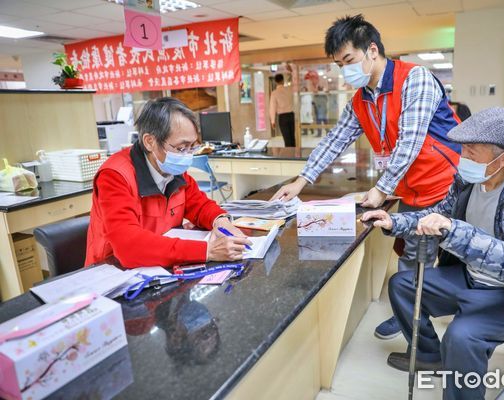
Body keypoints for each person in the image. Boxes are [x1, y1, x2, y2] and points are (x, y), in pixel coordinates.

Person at [362, 107, 504, 399]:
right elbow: (439, 214)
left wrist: (455, 232)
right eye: (463, 149)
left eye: (471, 152)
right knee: (402, 285)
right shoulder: (470, 177)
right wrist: (396, 222)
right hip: (473, 276)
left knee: (461, 336)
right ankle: (432, 355)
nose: (462, 159)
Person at [270, 14, 462, 339]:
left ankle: (419, 323)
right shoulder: (361, 100)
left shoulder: (415, 80)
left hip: (444, 181)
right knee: (416, 255)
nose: (345, 70)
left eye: (349, 60)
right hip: (409, 186)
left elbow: (410, 141)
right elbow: (334, 141)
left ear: (372, 50)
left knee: (427, 255)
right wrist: (300, 181)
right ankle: (412, 315)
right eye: (339, 63)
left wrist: (381, 189)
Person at [85, 97, 251, 268]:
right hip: (115, 273)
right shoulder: (115, 176)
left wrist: (220, 221)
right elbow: (128, 246)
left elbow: (199, 205)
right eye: (181, 148)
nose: (187, 155)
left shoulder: (173, 169)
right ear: (150, 141)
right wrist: (207, 251)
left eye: (191, 147)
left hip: (164, 265)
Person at [269, 73, 296, 147]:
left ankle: (289, 156)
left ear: (275, 81)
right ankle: (295, 154)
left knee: (286, 138)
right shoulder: (289, 89)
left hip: (282, 117)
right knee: (292, 137)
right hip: (291, 115)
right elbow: (295, 83)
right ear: (283, 81)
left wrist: (273, 121)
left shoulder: (274, 93)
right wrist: (291, 72)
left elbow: (272, 107)